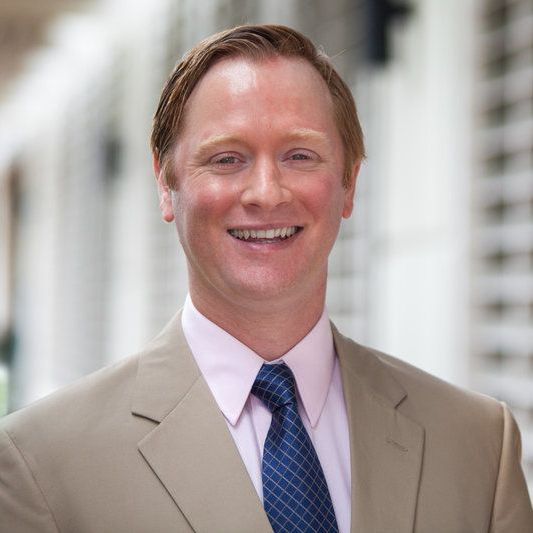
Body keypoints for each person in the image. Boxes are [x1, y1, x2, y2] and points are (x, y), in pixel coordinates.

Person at [0, 24, 531, 533]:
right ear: (166, 184)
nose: (266, 193)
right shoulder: (41, 463)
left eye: (299, 155)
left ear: (349, 183)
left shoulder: (479, 446)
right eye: (227, 159)